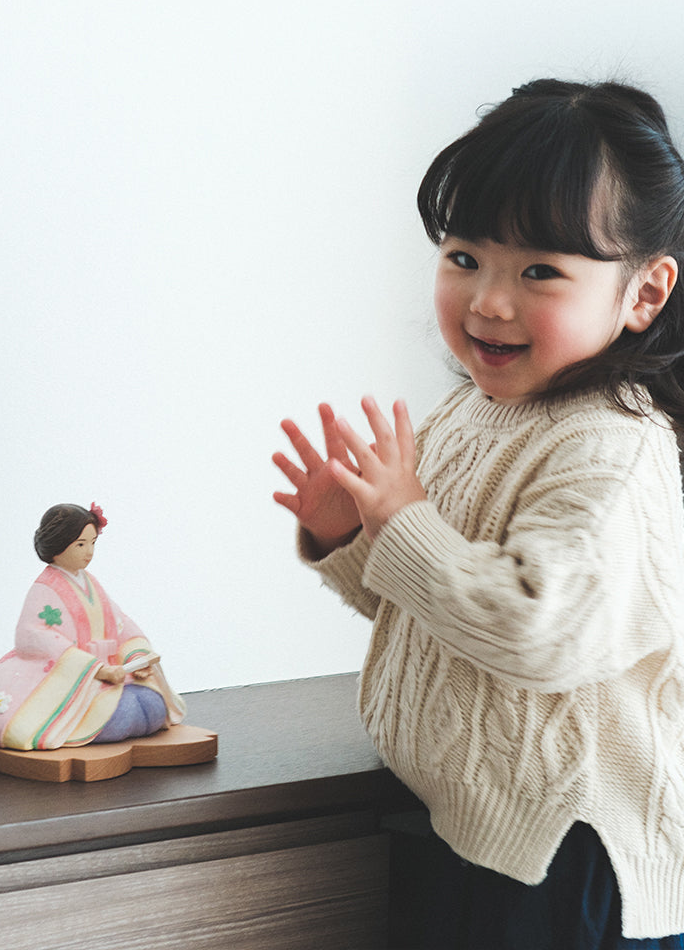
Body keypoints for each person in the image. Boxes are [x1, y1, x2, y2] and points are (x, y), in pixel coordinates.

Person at [272, 80, 684, 948]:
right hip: (473, 829)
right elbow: (426, 604)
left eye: (540, 271)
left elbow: (533, 628)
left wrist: (407, 520)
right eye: (464, 258)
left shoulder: (610, 448)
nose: (489, 301)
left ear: (644, 293)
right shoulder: (471, 414)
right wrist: (352, 532)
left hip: (569, 857)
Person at [0, 503, 186, 750]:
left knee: (151, 704)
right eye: (81, 544)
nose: (89, 551)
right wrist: (95, 669)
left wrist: (138, 657)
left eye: (92, 543)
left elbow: (120, 621)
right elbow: (32, 633)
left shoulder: (92, 583)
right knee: (124, 712)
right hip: (71, 676)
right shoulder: (45, 588)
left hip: (111, 673)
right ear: (58, 545)